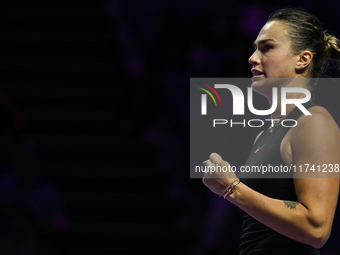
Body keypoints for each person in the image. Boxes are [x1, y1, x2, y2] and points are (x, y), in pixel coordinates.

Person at [202, 8, 340, 255]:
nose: (253, 58)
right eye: (255, 48)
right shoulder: (263, 134)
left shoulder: (314, 122)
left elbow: (317, 228)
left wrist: (231, 188)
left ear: (303, 59)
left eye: (267, 48)